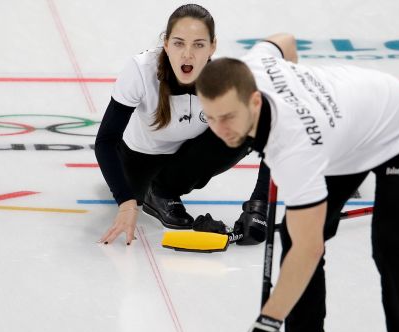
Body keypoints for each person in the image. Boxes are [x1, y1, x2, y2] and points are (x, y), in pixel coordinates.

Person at [195, 33, 399, 332]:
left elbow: (313, 248)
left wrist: (268, 321)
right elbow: (283, 41)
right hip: (342, 138)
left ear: (254, 100)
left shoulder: (296, 146)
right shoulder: (254, 64)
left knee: (391, 248)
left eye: (228, 117)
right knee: (292, 238)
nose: (220, 129)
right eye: (210, 118)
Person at [94, 4, 270, 246]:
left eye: (198, 44)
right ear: (166, 44)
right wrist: (125, 202)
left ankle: (164, 192)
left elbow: (271, 133)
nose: (188, 54)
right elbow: (105, 141)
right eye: (178, 43)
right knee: (135, 191)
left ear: (212, 46)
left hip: (184, 161)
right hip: (138, 160)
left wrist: (259, 208)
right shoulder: (140, 70)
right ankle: (151, 193)